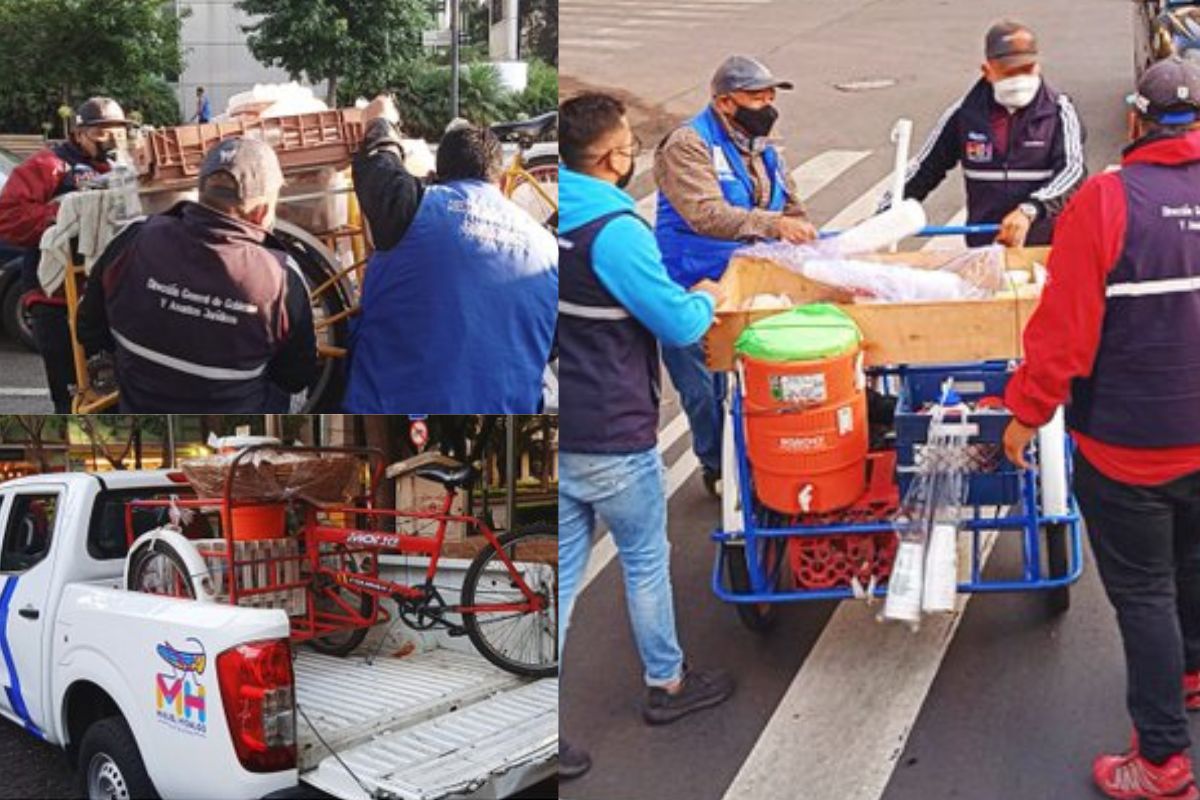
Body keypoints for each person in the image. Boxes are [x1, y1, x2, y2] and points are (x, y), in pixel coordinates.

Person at [1002, 57, 1200, 800]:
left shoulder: (1107, 201)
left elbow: (1063, 339)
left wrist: (1024, 416)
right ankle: (1190, 671)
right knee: (1191, 560)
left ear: (1134, 120)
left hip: (1129, 449)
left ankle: (1162, 762)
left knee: (1145, 591)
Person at [559, 91, 736, 781]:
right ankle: (668, 685)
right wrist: (710, 296)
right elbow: (681, 324)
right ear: (610, 156)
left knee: (559, 581)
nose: (635, 150)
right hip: (612, 427)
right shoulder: (615, 229)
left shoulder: (549, 211)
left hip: (559, 421)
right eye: (629, 140)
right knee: (643, 557)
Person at [654, 55, 816, 496]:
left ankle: (759, 456)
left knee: (757, 376)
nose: (767, 105)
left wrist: (804, 238)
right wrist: (773, 225)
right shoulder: (687, 144)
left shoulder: (763, 146)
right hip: (691, 284)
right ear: (725, 103)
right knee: (703, 389)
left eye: (771, 95)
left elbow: (791, 206)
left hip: (747, 283)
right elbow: (705, 213)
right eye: (756, 96)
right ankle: (716, 465)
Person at [344, 96, 557, 413]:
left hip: (395, 406)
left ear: (437, 174)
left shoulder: (412, 207)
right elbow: (549, 344)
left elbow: (380, 164)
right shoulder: (549, 247)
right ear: (498, 180)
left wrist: (381, 120)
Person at [77, 137, 318, 412]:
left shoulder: (134, 237)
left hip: (139, 403)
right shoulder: (281, 276)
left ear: (200, 192)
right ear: (262, 211)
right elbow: (296, 377)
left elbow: (88, 326)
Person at [880, 20, 1086, 248]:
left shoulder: (1059, 111)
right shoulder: (964, 115)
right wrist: (885, 212)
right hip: (986, 247)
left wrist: (1030, 210)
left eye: (1026, 69)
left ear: (1037, 67)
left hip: (1045, 246)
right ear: (988, 71)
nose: (1019, 80)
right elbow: (926, 168)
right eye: (1009, 72)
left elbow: (1072, 170)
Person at [0, 96, 130, 412]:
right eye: (102, 131)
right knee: (72, 397)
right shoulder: (48, 166)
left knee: (113, 395)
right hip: (56, 300)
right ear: (79, 132)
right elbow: (8, 218)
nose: (112, 139)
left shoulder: (125, 170)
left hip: (106, 299)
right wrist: (65, 215)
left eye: (118, 131)